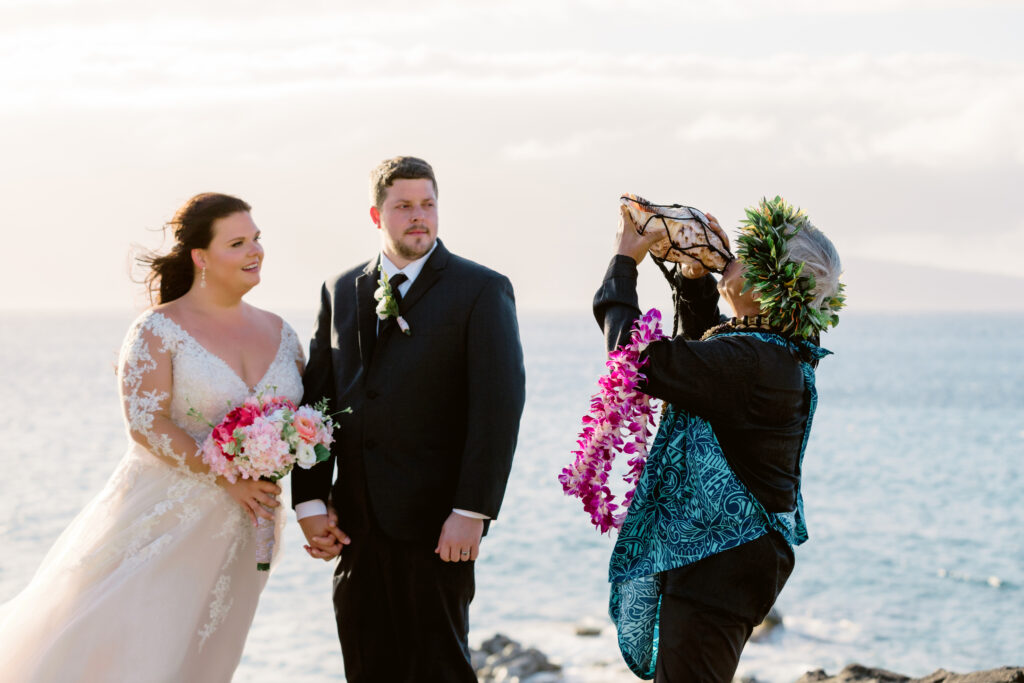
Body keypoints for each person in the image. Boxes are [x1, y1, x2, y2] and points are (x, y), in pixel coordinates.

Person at [0, 193, 304, 681]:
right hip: (163, 521)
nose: (256, 251)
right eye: (238, 242)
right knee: (135, 653)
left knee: (208, 658)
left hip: (248, 529)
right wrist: (227, 478)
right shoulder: (160, 328)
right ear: (201, 258)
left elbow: (304, 422)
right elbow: (145, 421)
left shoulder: (282, 332)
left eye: (257, 238)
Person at [292, 156, 526, 682]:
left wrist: (472, 509)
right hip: (355, 527)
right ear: (377, 216)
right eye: (404, 207)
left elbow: (499, 408)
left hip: (438, 527)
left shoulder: (481, 290)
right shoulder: (339, 289)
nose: (419, 217)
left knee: (439, 671)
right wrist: (309, 500)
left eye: (428, 205)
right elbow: (317, 405)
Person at [594, 196, 845, 681]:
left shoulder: (755, 363)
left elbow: (637, 360)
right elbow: (705, 364)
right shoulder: (771, 353)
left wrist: (624, 262)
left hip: (717, 568)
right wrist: (694, 278)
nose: (733, 256)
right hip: (723, 561)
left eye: (747, 255)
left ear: (771, 287)